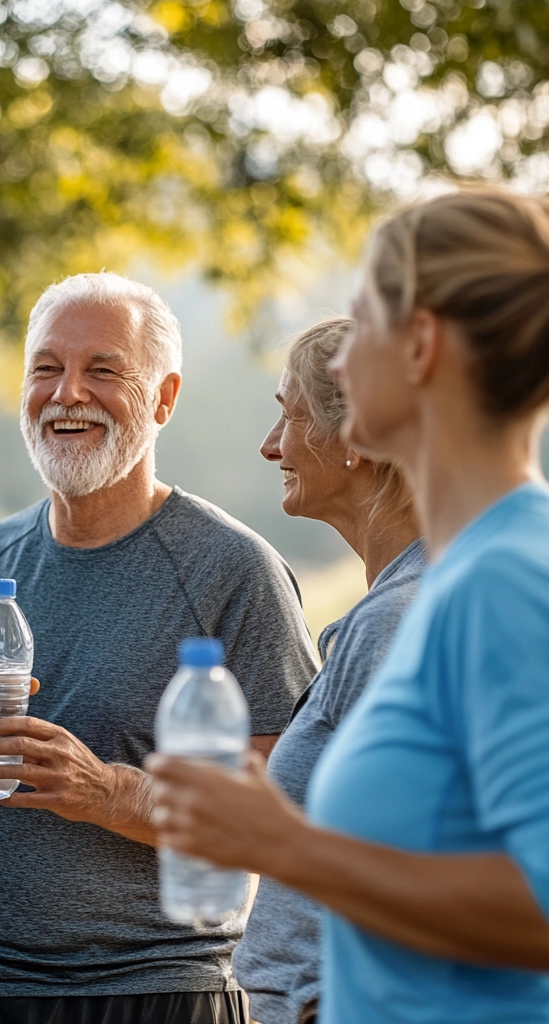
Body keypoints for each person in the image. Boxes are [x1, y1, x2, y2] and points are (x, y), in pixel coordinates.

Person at [148, 189, 549, 1024]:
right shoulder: (466, 571)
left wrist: (281, 842)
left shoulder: (507, 578)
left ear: (422, 348)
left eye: (360, 322)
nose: (335, 362)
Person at [0, 272, 318, 1024]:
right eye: (47, 368)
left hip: (163, 987)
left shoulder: (234, 569)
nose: (69, 393)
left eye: (103, 370)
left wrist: (107, 792)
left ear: (164, 398)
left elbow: (279, 810)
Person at [230, 316, 423, 1024]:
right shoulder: (391, 610)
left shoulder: (397, 623)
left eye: (290, 414)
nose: (270, 444)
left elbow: (414, 878)